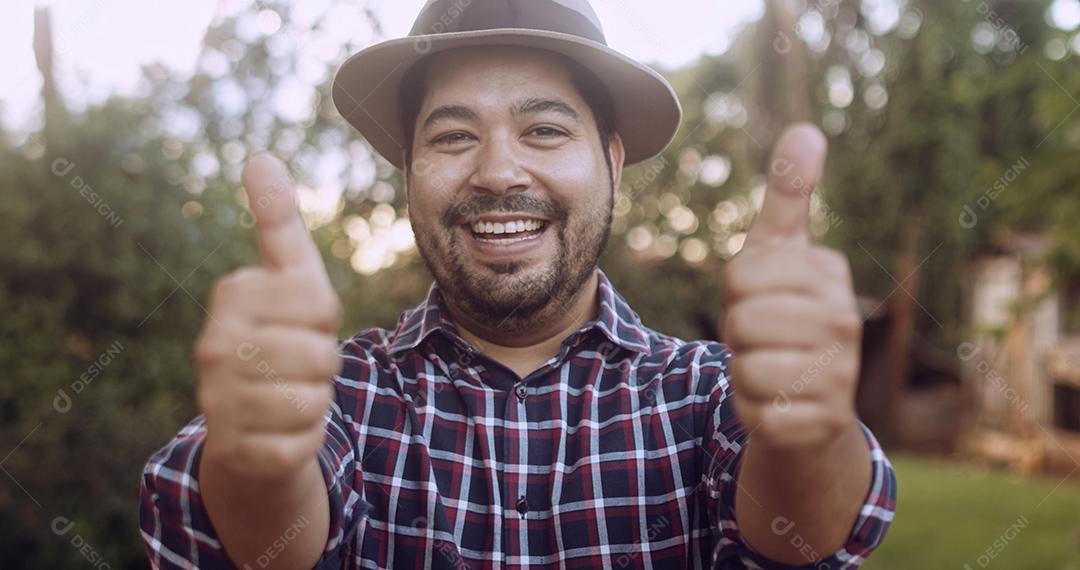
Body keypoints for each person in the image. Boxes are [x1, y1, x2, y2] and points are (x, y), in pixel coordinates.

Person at [139, 0, 896, 568]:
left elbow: (807, 542)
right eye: (453, 135)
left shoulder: (704, 394)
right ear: (410, 173)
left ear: (613, 160)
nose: (498, 171)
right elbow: (255, 540)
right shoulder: (338, 393)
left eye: (544, 130)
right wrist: (254, 462)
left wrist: (807, 433)